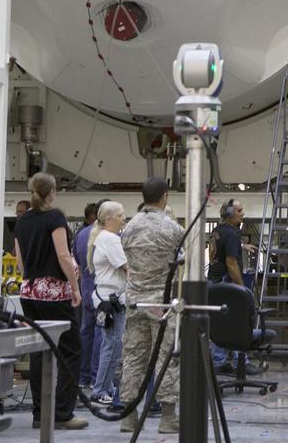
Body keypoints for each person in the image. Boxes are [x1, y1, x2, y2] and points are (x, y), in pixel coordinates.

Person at [12, 173, 88, 431]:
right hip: (54, 292)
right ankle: (62, 413)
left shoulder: (21, 222)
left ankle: (39, 413)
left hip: (29, 291)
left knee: (38, 350)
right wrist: (75, 288)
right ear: (52, 192)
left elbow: (20, 262)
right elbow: (64, 256)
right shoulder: (55, 217)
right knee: (71, 350)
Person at [119, 178, 183, 435]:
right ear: (165, 196)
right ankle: (167, 418)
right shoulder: (172, 228)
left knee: (133, 357)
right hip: (162, 304)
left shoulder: (129, 227)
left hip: (134, 300)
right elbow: (182, 258)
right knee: (166, 357)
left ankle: (128, 417)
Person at [207, 198, 260, 374]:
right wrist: (241, 288)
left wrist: (242, 246)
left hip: (213, 283)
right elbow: (231, 263)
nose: (243, 213)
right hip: (227, 283)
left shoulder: (216, 231)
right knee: (239, 322)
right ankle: (241, 362)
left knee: (219, 323)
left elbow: (223, 249)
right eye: (239, 211)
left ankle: (219, 361)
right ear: (229, 214)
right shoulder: (232, 234)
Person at [88, 201, 128, 406]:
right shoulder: (110, 239)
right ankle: (100, 389)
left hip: (106, 298)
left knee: (110, 344)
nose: (124, 218)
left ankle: (106, 386)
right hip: (111, 301)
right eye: (120, 215)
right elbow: (126, 267)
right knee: (112, 346)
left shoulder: (104, 238)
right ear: (109, 219)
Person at [72, 202, 100, 389]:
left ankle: (83, 377)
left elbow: (75, 261)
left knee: (86, 331)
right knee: (102, 333)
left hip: (85, 285)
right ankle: (98, 377)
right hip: (101, 288)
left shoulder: (80, 235)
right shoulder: (104, 236)